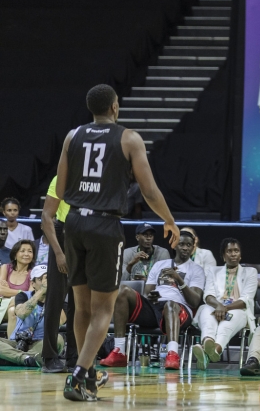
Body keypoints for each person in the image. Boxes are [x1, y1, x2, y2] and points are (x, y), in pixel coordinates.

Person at [44, 83, 179, 401]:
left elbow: (59, 188)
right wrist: (169, 219)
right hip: (104, 224)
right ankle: (78, 377)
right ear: (115, 108)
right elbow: (148, 191)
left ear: (91, 109)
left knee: (82, 306)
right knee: (103, 307)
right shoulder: (128, 138)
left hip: (74, 221)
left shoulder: (72, 136)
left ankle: (88, 373)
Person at [104, 230, 205, 369]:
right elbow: (147, 293)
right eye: (182, 244)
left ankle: (172, 353)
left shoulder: (197, 270)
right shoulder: (160, 265)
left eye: (189, 245)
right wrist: (151, 296)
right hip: (155, 307)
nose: (186, 248)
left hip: (179, 310)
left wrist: (179, 279)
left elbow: (194, 301)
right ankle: (119, 352)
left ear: (193, 247)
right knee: (123, 291)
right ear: (174, 245)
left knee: (170, 305)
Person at [192, 238, 259, 369]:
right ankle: (209, 344)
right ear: (223, 256)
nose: (233, 254)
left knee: (227, 323)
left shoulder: (251, 272)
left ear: (240, 255)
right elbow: (208, 294)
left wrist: (224, 308)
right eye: (229, 251)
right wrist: (218, 306)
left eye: (236, 251)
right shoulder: (213, 271)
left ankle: (211, 351)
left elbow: (246, 298)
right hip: (216, 306)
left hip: (239, 308)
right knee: (206, 310)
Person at [41, 176, 75, 373]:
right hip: (62, 234)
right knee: (55, 299)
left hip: (83, 234)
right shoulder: (61, 178)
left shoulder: (89, 178)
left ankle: (74, 357)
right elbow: (47, 218)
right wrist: (59, 253)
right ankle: (49, 357)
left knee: (79, 302)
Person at [0, 266, 62, 367]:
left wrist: (50, 296)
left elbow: (60, 320)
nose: (45, 282)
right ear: (32, 283)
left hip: (42, 344)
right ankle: (26, 358)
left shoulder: (58, 298)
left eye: (47, 278)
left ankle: (14, 358)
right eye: (40, 279)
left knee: (58, 339)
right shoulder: (23, 296)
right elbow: (21, 313)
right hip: (18, 343)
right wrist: (41, 292)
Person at [2, 240, 36, 337]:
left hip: (20, 308)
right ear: (15, 255)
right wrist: (21, 292)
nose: (26, 254)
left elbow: (29, 295)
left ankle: (10, 346)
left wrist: (8, 291)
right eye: (23, 251)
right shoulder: (5, 268)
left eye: (30, 251)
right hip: (2, 305)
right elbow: (0, 290)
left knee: (12, 310)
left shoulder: (33, 273)